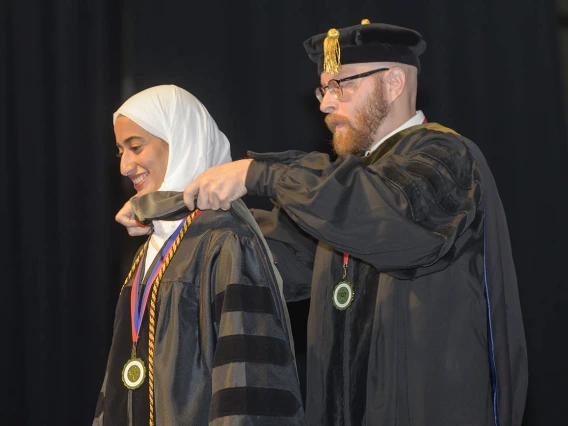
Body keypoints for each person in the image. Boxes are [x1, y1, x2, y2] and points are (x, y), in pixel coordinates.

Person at [117, 21, 528, 426]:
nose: (326, 104)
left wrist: (259, 173)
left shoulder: (445, 157)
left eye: (341, 86)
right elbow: (259, 251)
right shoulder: (338, 193)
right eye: (323, 89)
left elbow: (387, 217)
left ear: (394, 83)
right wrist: (169, 217)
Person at [93, 85, 305, 426]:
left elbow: (245, 381)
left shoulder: (225, 240)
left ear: (181, 141)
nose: (125, 166)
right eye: (120, 151)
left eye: (136, 147)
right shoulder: (153, 244)